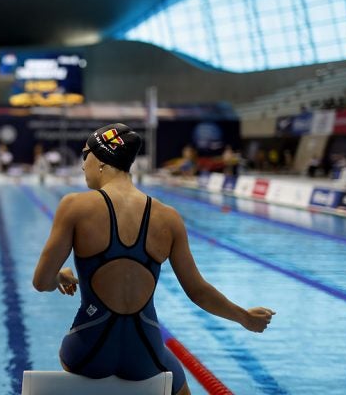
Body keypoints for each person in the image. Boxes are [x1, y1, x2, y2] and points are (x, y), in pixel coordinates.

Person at [32, 123, 275, 395]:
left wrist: (58, 277)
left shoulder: (75, 206)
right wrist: (244, 317)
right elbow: (198, 291)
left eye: (84, 155)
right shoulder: (168, 217)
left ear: (100, 159)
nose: (82, 165)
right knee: (180, 385)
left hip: (88, 350)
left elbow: (41, 281)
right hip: (145, 352)